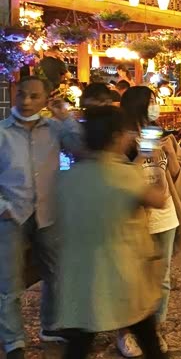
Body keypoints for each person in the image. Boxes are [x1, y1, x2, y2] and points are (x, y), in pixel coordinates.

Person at [56, 106, 167, 359]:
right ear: (117, 137)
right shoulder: (125, 175)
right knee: (149, 339)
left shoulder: (71, 177)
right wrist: (153, 162)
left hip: (81, 276)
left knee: (79, 342)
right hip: (123, 274)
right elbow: (159, 199)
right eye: (127, 133)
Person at [0, 76, 84, 358]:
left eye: (34, 96)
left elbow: (81, 149)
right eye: (21, 94)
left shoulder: (55, 129)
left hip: (48, 212)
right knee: (8, 282)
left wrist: (66, 117)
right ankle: (13, 342)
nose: (26, 101)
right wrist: (2, 206)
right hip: (11, 215)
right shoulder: (2, 132)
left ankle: (51, 325)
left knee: (57, 273)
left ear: (46, 99)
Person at [117, 86, 181, 356]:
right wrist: (143, 155)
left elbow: (172, 174)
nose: (155, 106)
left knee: (163, 277)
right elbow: (118, 178)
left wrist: (169, 155)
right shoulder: (120, 139)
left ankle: (156, 329)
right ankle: (126, 332)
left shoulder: (158, 133)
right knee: (131, 278)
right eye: (151, 102)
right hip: (137, 218)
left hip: (165, 215)